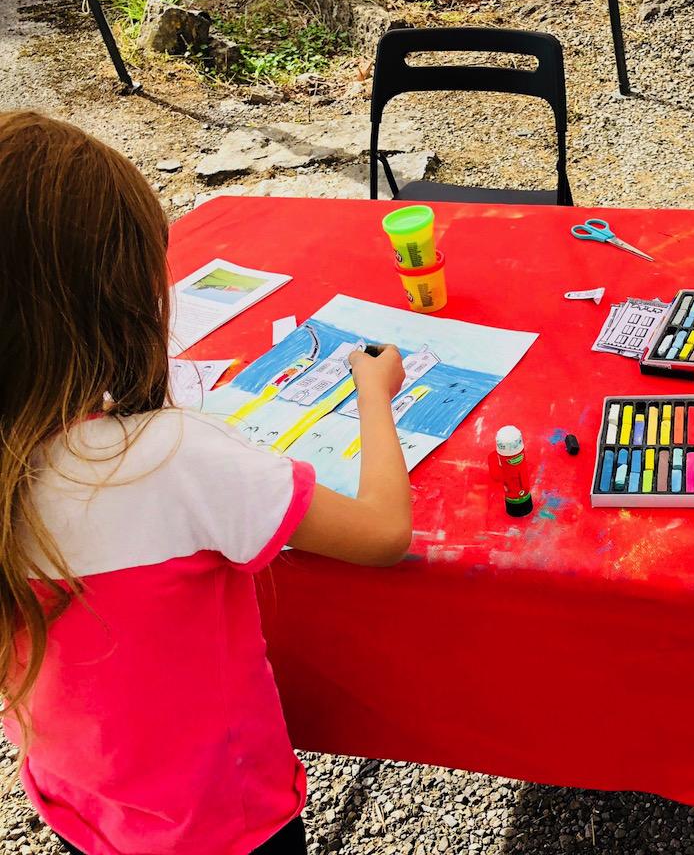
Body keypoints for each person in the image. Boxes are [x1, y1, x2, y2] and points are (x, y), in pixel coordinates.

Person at [0, 111, 414, 855]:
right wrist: (373, 394)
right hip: (225, 822)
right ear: (121, 298)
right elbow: (384, 533)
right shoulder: (170, 457)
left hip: (88, 811)